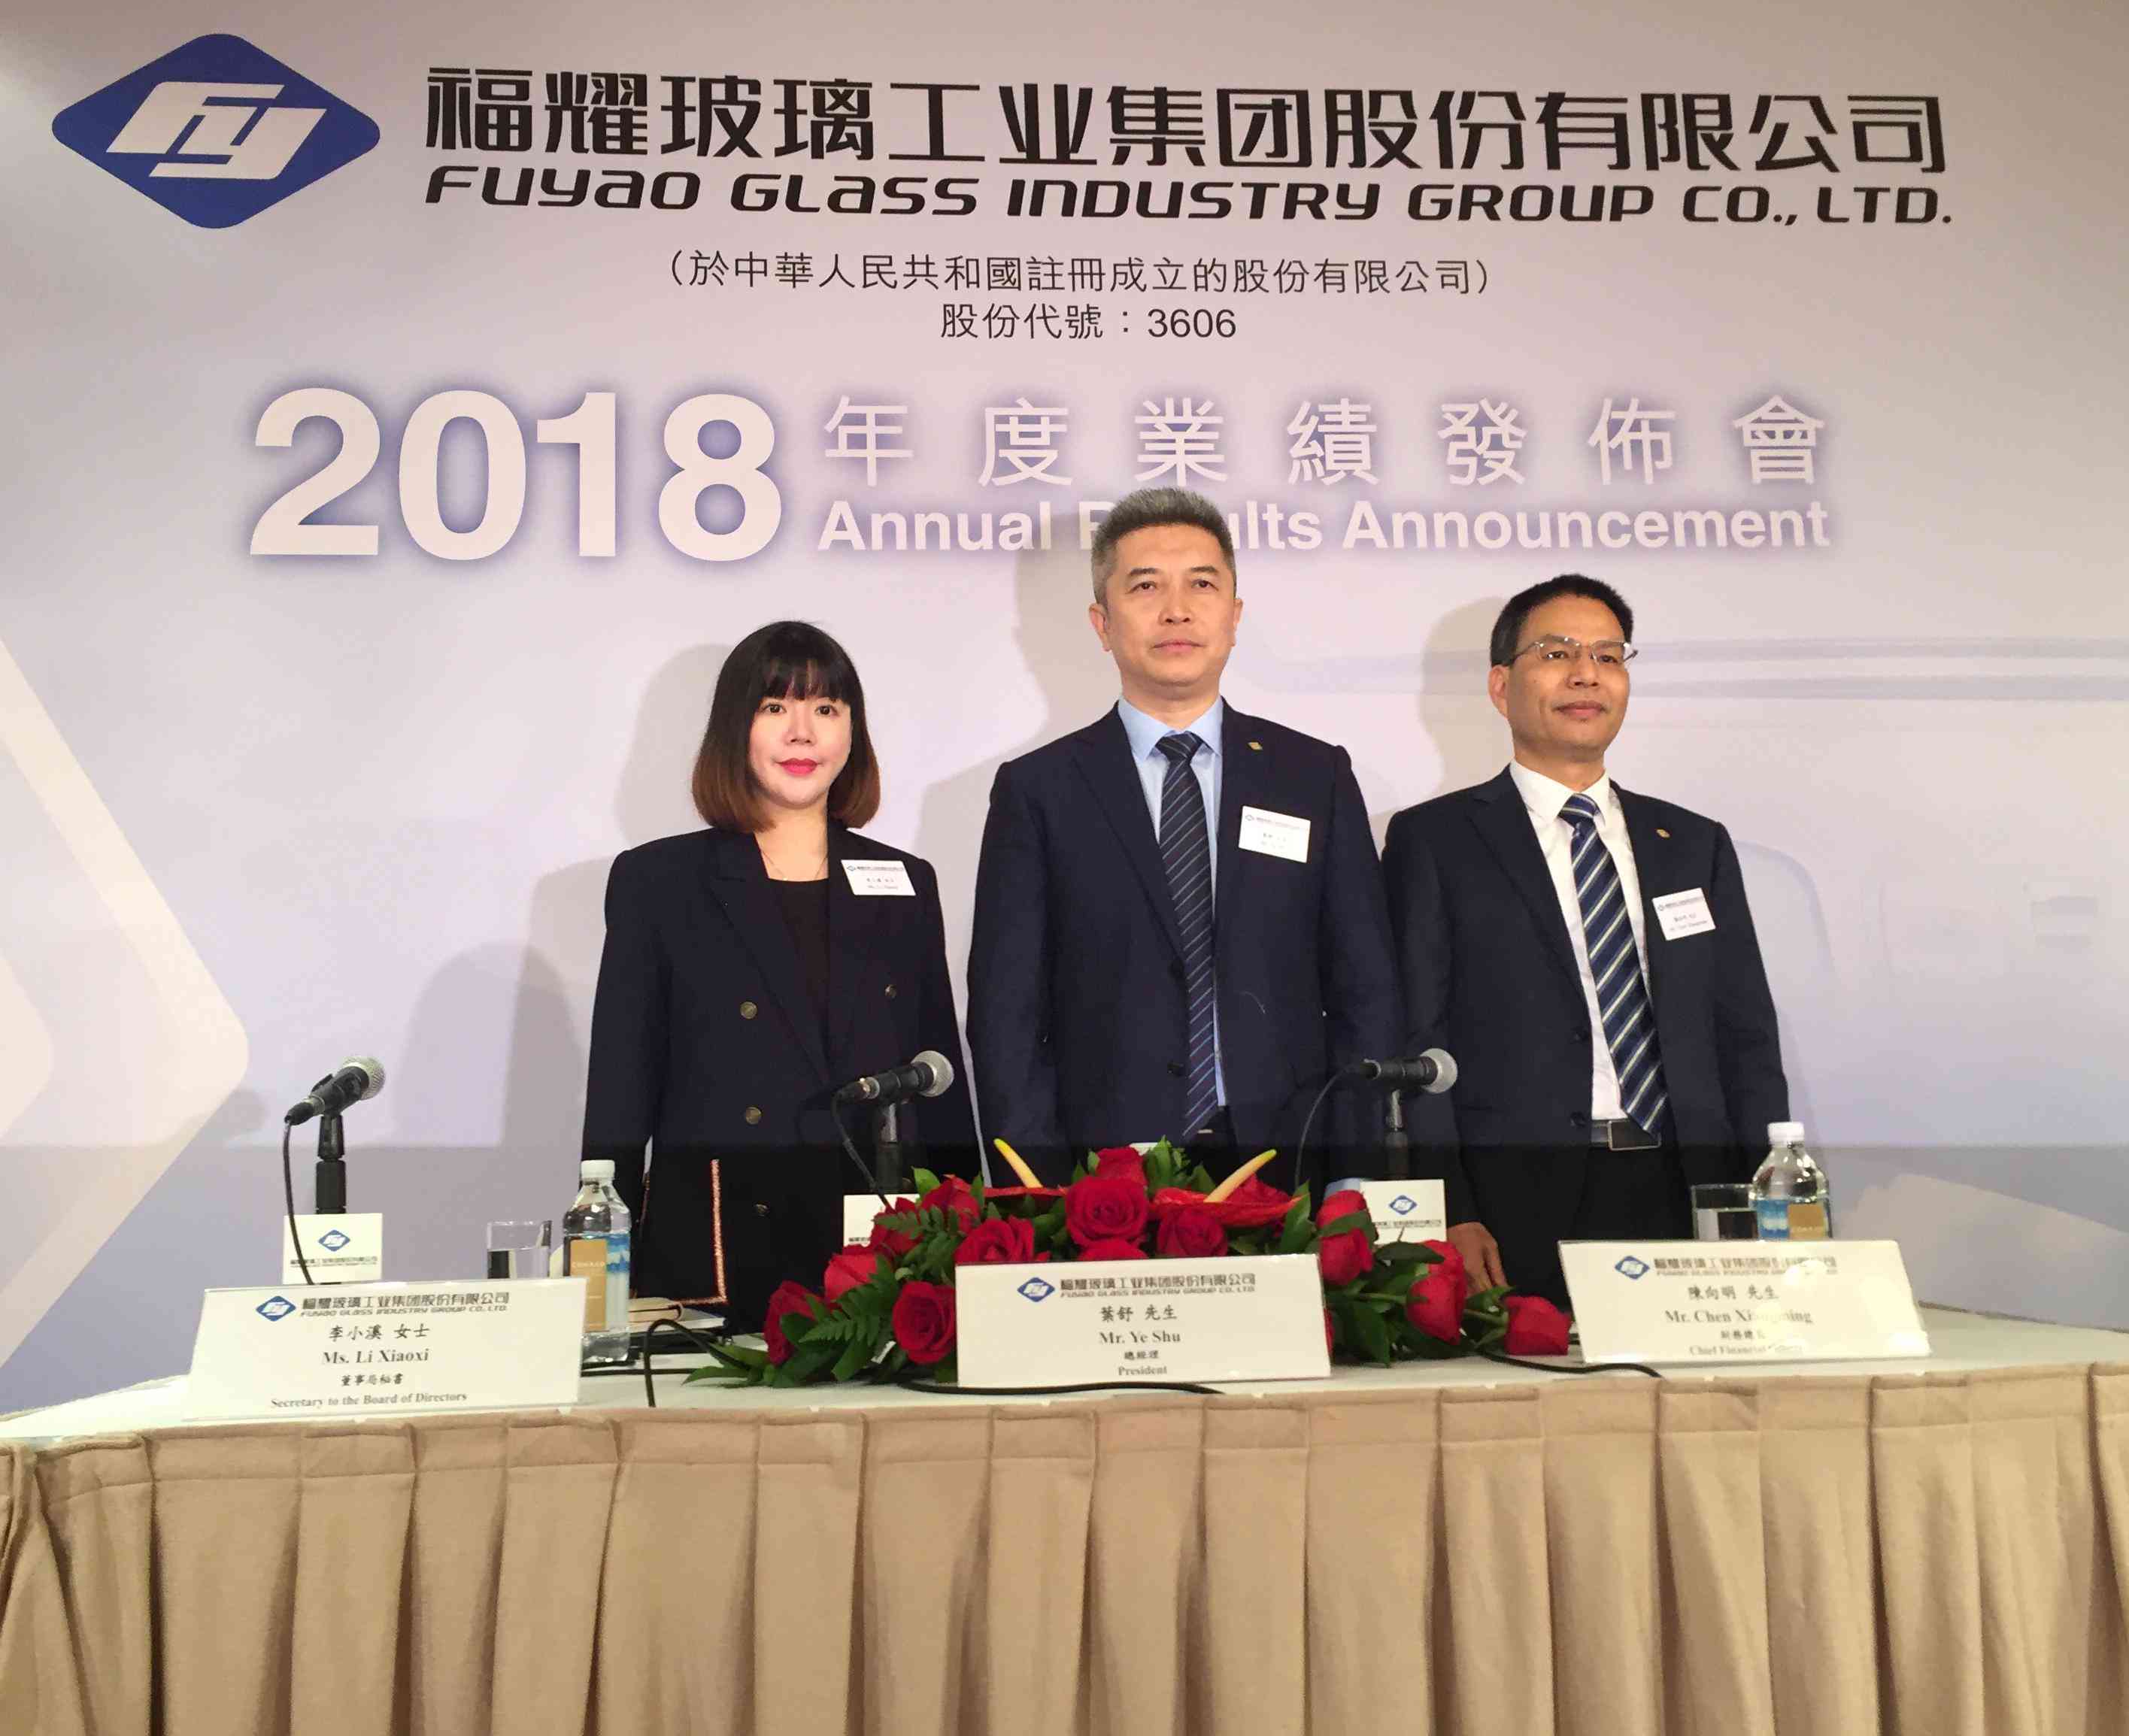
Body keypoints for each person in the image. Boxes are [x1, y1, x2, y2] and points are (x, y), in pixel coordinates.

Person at [967, 486, 1402, 1182]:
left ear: (1234, 616)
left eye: (1202, 584)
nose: (1177, 610)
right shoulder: (1039, 790)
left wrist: (1357, 1174)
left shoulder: (1312, 776)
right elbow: (1006, 1015)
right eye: (1146, 586)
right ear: (1102, 623)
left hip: (1291, 1159)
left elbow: (1366, 990)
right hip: (1105, 1178)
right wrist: (1038, 1188)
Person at [1384, 576, 1788, 1307]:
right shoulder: (1435, 841)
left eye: (1608, 655)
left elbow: (1745, 1037)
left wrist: (1768, 1197)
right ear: (1501, 686)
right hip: (1515, 1202)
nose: (1586, 674)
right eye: (1556, 652)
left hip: (1688, 1190)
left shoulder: (1691, 844)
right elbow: (1419, 1042)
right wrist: (1449, 1206)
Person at [581, 622, 976, 1329]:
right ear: (735, 728)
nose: (803, 733)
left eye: (826, 708)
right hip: (717, 1247)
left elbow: (937, 1075)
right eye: (774, 708)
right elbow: (620, 1089)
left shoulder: (906, 882)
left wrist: (968, 1244)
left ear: (852, 732)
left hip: (877, 1251)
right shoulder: (659, 881)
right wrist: (599, 1274)